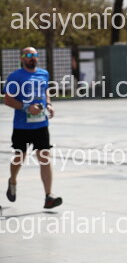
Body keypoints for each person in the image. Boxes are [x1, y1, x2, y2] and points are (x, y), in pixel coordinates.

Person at [4, 47, 62, 208]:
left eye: (35, 55)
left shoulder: (44, 74)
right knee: (19, 157)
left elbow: (45, 91)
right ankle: (13, 180)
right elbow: (8, 99)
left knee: (44, 157)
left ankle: (48, 196)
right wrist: (26, 107)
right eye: (28, 55)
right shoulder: (15, 76)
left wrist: (49, 104)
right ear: (22, 58)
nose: (32, 58)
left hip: (41, 124)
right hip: (22, 125)